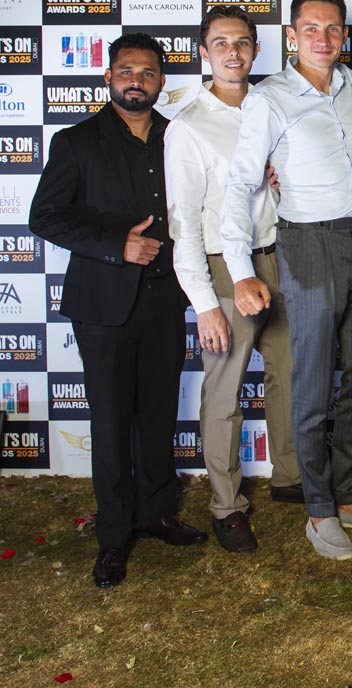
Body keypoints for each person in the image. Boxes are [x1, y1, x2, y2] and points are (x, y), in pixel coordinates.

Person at [222, 0, 352, 562]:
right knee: (313, 382)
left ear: (345, 36)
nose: (323, 39)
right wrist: (240, 268)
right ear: (291, 35)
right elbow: (240, 185)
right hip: (306, 243)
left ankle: (348, 495)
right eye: (311, 29)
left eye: (333, 29)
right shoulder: (269, 98)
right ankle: (319, 510)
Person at [29, 33, 207, 589]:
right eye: (126, 71)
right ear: (108, 77)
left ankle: (156, 514)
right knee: (110, 419)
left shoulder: (179, 137)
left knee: (157, 412)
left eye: (148, 72)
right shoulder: (77, 141)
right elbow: (44, 217)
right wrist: (116, 245)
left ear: (161, 82)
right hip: (104, 303)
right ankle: (113, 535)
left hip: (165, 298)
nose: (137, 80)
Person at [165, 6, 301, 554]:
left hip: (278, 256)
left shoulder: (272, 106)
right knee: (225, 388)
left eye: (242, 42)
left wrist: (281, 183)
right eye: (220, 43)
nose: (233, 52)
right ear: (204, 52)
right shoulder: (188, 127)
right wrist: (205, 303)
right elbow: (183, 224)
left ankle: (290, 475)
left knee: (290, 372)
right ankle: (226, 505)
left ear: (256, 49)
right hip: (225, 265)